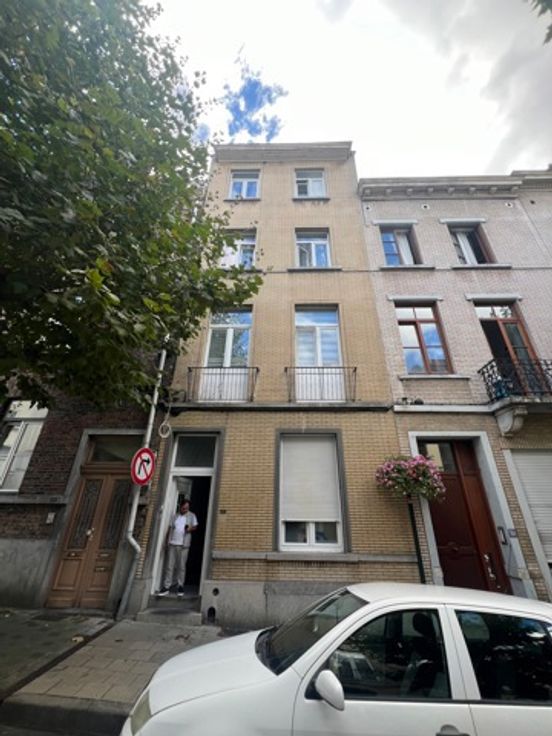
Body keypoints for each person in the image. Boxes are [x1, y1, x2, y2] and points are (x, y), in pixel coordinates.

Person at [158, 499, 198, 597]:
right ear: (180, 507)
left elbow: (195, 527)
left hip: (184, 545)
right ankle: (166, 586)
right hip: (173, 543)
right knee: (170, 566)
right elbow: (170, 528)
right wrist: (166, 541)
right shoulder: (175, 516)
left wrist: (190, 528)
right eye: (184, 508)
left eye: (187, 508)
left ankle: (180, 586)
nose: (185, 510)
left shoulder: (192, 515)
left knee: (181, 566)